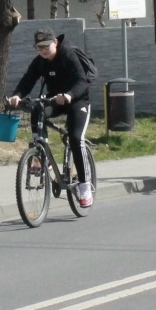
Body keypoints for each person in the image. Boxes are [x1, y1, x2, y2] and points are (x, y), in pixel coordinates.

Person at [6, 30, 94, 208]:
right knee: (37, 109)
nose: (43, 50)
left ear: (55, 42)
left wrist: (69, 95)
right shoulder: (40, 62)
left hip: (77, 100)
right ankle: (41, 155)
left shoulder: (68, 54)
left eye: (46, 46)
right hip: (55, 100)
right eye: (39, 48)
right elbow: (27, 80)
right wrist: (16, 96)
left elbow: (82, 80)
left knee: (76, 138)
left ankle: (85, 187)